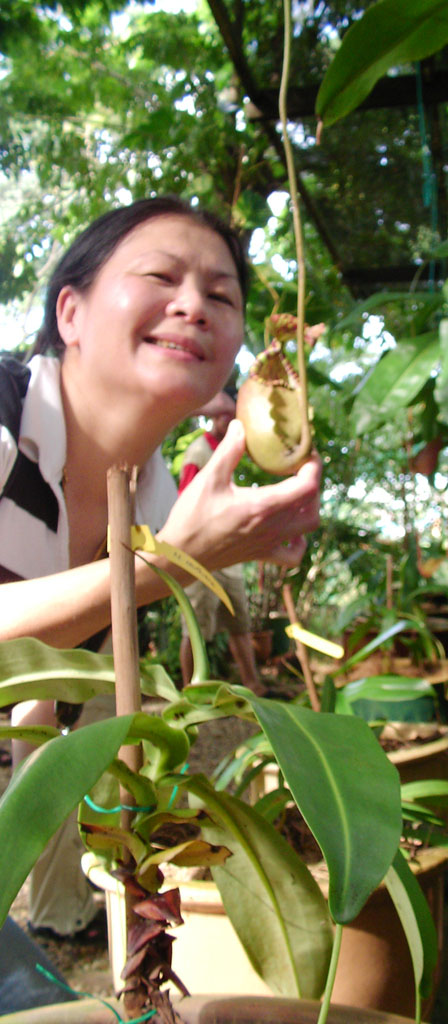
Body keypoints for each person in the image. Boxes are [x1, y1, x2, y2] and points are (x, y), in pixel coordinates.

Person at [0, 195, 321, 941]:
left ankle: (64, 909)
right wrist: (167, 565)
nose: (193, 307)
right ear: (71, 313)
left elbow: (61, 671)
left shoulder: (161, 492)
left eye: (220, 296)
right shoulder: (7, 415)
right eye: (161, 277)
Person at [177, 388, 265, 693]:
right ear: (213, 414)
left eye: (231, 412)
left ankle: (253, 685)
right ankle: (191, 691)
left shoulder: (233, 448)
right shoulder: (199, 451)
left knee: (239, 621)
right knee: (195, 625)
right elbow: (185, 500)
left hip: (229, 551)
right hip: (200, 552)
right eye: (221, 412)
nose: (225, 418)